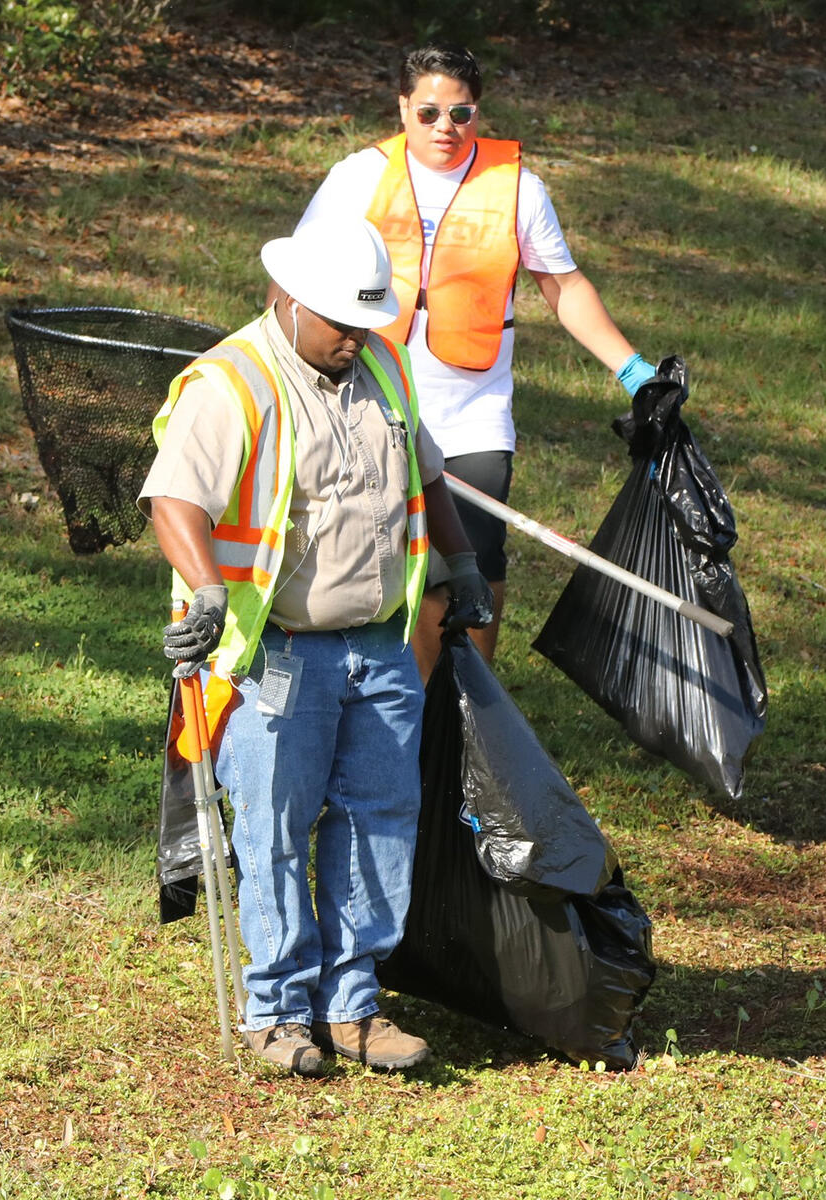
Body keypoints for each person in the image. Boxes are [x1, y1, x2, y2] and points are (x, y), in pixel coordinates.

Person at [138, 217, 492, 1077]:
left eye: (366, 323)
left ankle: (352, 1005)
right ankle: (276, 1012)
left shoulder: (383, 362)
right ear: (289, 301)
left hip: (378, 648)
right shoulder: (232, 383)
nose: (353, 339)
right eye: (339, 324)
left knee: (380, 819)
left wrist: (464, 563)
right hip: (278, 655)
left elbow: (428, 472)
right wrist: (210, 590)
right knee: (274, 832)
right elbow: (172, 500)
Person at [282, 41, 658, 679]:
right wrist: (274, 361)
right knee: (392, 553)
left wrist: (635, 373)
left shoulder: (519, 190)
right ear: (403, 108)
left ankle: (474, 709)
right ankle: (410, 698)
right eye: (428, 113)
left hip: (472, 410)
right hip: (372, 399)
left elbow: (562, 286)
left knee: (477, 557)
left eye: (461, 114)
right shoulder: (358, 177)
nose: (445, 129)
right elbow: (294, 277)